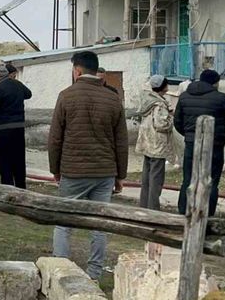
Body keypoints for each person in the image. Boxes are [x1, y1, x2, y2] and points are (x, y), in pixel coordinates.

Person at [49, 51, 127, 281]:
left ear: (77, 70)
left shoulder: (66, 96)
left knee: (64, 223)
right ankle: (94, 274)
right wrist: (120, 175)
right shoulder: (113, 99)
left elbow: (55, 138)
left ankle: (60, 271)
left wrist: (55, 170)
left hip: (73, 170)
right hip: (104, 171)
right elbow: (121, 141)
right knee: (99, 224)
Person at [174, 69, 225, 217]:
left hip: (191, 143)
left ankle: (184, 210)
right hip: (214, 144)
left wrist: (189, 135)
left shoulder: (184, 97)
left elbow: (177, 121)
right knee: (211, 179)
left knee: (188, 177)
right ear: (216, 83)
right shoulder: (220, 97)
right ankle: (207, 213)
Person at [0, 63, 32, 189]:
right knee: (19, 159)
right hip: (19, 128)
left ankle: (7, 189)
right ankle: (21, 188)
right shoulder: (17, 84)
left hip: (3, 129)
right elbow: (28, 94)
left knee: (5, 161)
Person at [135, 75, 174, 210]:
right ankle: (153, 209)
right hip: (157, 145)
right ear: (162, 86)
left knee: (146, 178)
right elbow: (162, 124)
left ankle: (144, 205)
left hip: (147, 143)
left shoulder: (148, 100)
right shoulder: (159, 104)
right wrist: (171, 118)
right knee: (156, 180)